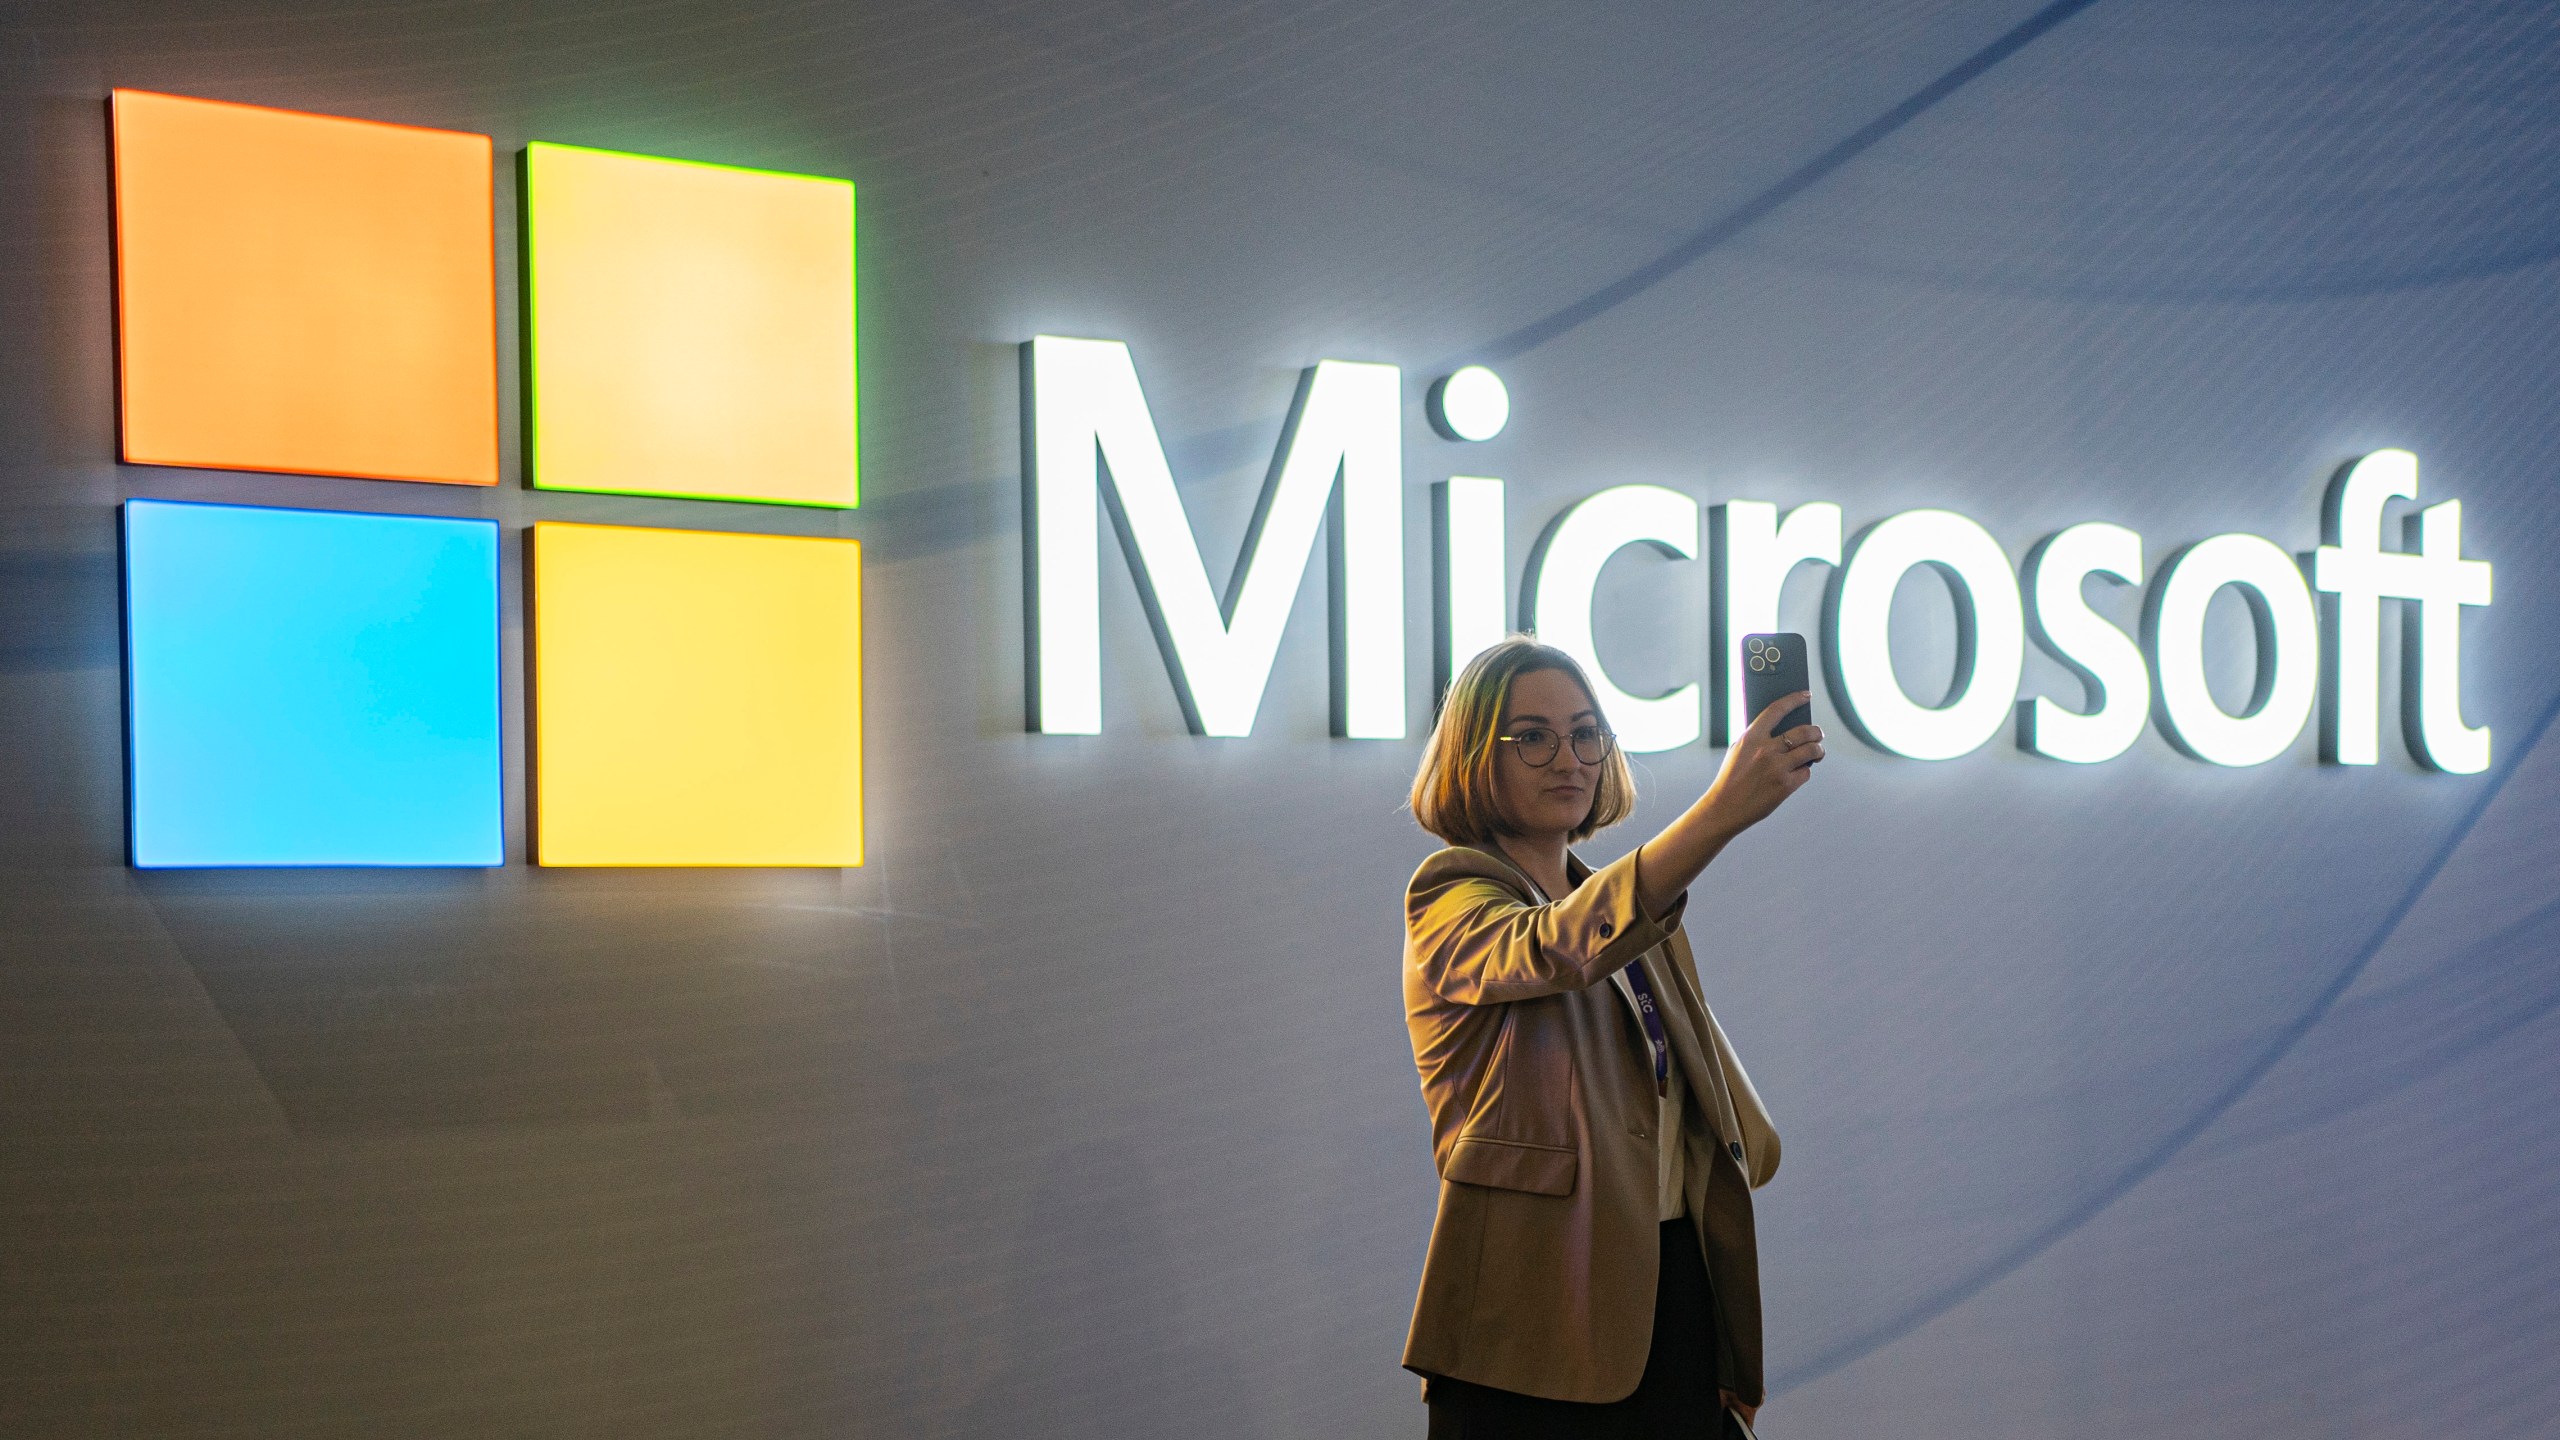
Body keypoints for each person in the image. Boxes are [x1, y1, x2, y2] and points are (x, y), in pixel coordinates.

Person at [1400, 635, 1822, 1439]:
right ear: (1471, 758)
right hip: (1530, 1319)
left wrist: (1720, 1343)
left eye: (1587, 733)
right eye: (1532, 737)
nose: (1569, 757)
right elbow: (1554, 946)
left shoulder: (1627, 910)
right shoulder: (1450, 892)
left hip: (1666, 1301)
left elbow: (1693, 1131)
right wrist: (1723, 810)